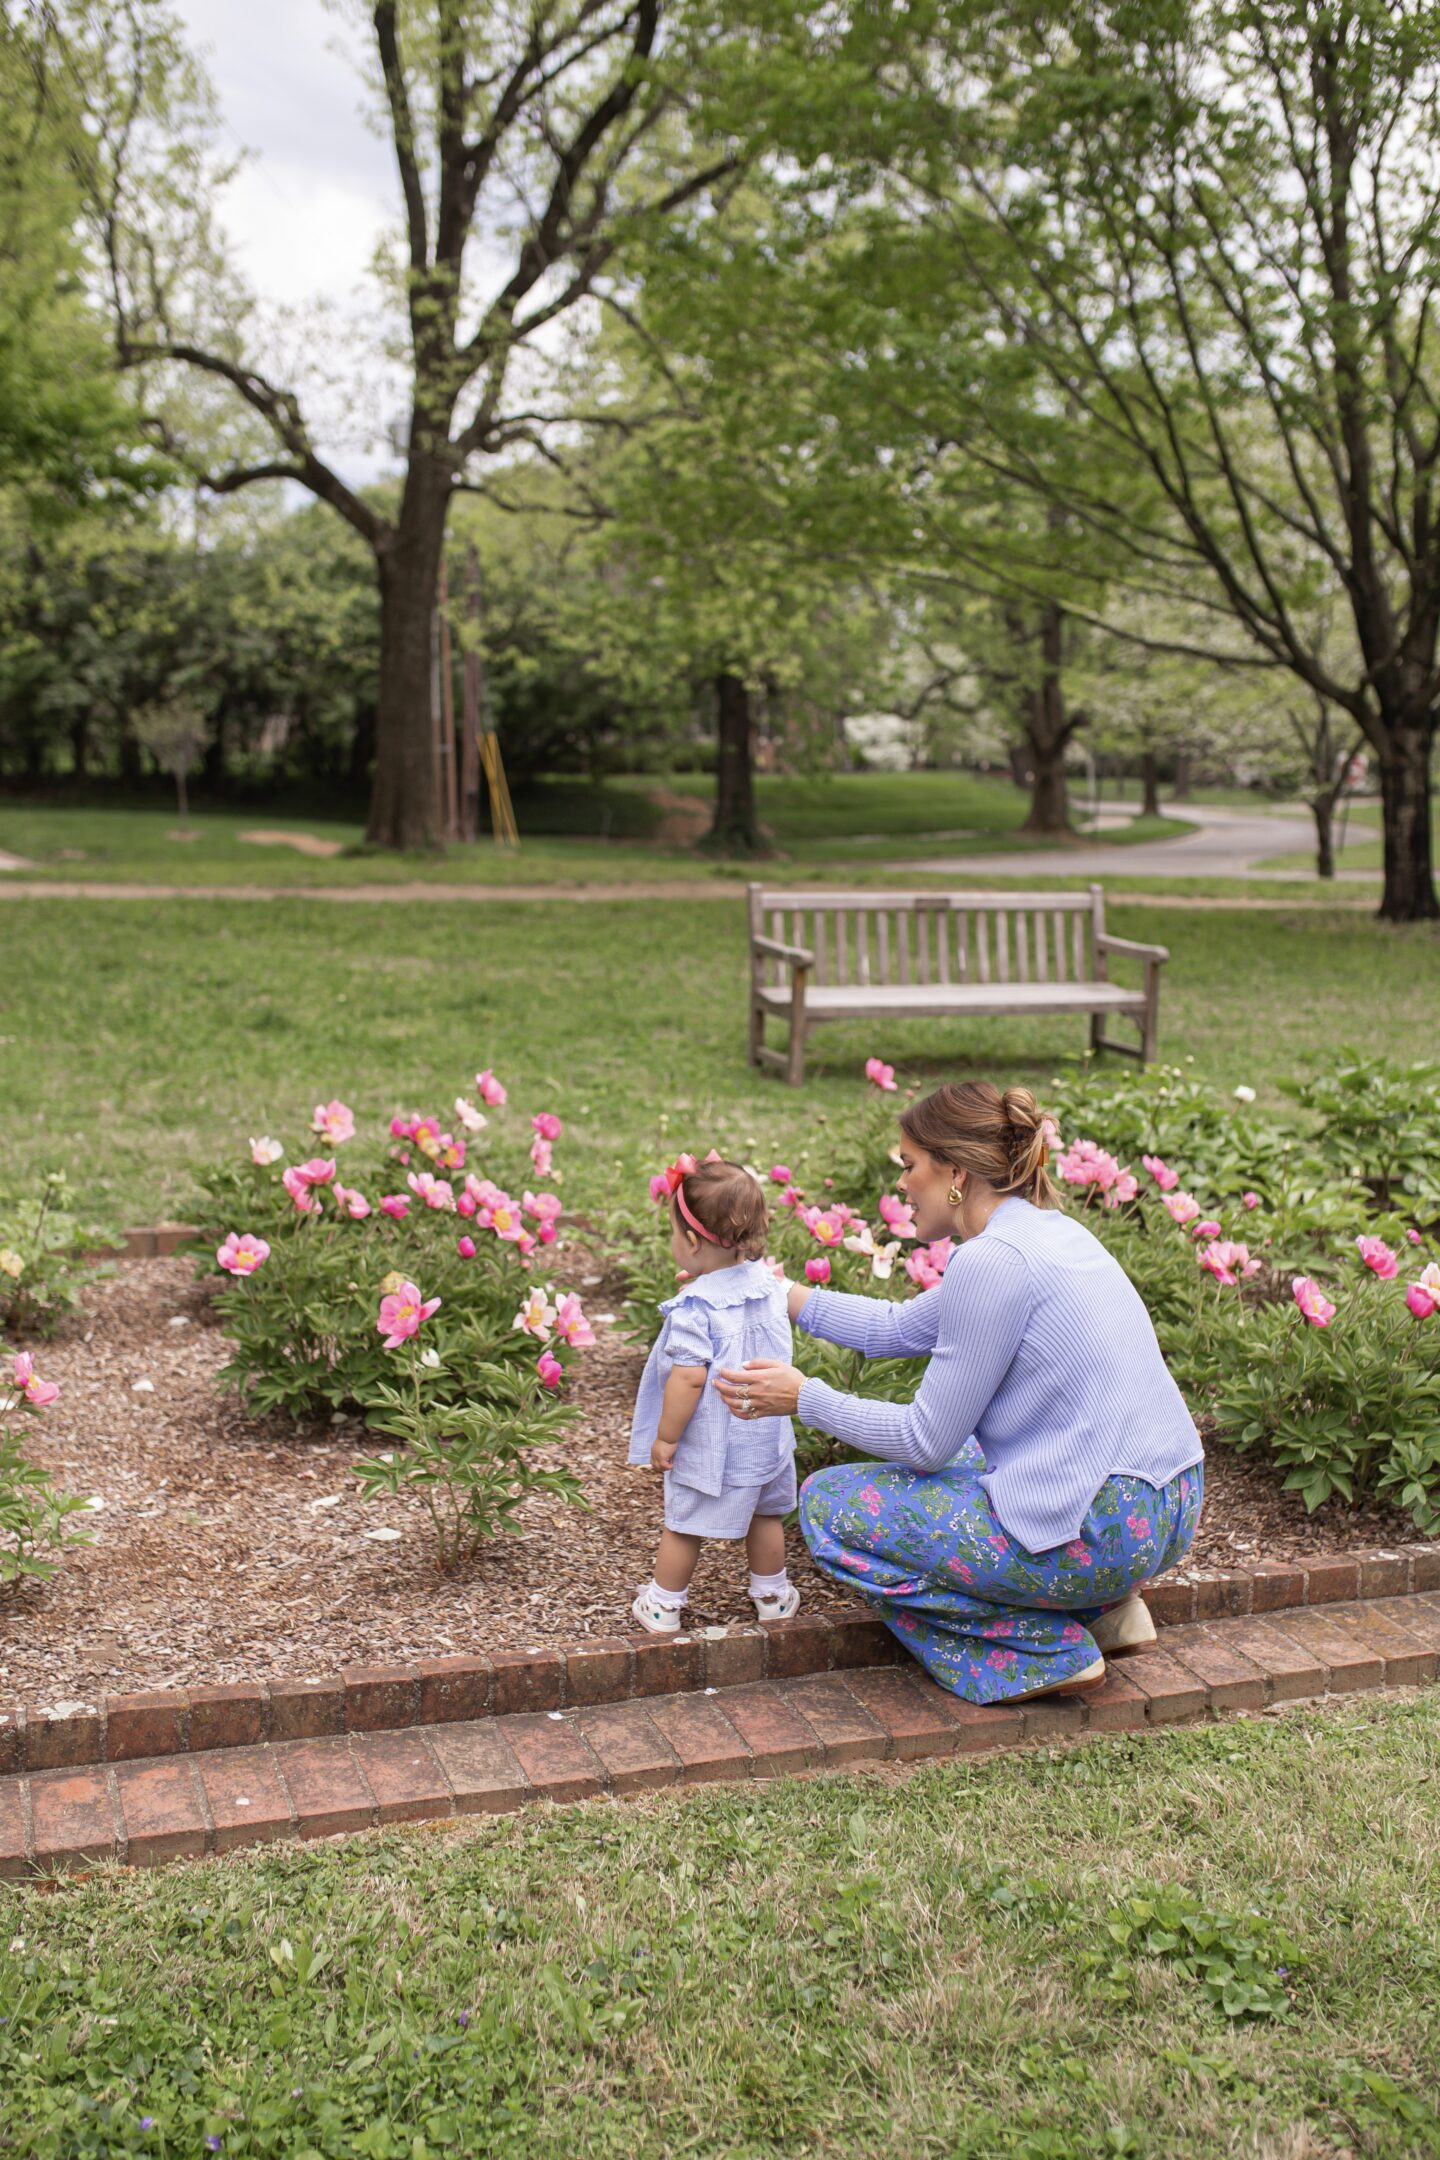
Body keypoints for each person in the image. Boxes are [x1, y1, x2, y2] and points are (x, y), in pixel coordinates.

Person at [715, 1081, 1204, 1704]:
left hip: (1106, 1526)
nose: (900, 1184)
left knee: (828, 1506)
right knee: (973, 1459)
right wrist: (768, 1290)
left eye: (908, 1166)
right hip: (1168, 1503)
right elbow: (895, 1328)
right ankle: (1109, 1612)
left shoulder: (989, 1263)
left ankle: (1043, 1649)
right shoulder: (1048, 1234)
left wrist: (803, 1396)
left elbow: (923, 1442)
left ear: (954, 1172)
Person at [627, 1153, 800, 1635]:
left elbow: (689, 1378)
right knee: (766, 1516)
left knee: (683, 1523)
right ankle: (773, 1596)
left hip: (712, 1444)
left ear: (690, 1240)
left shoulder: (694, 1308)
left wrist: (666, 1437)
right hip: (764, 1435)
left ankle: (663, 1605)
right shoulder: (769, 1284)